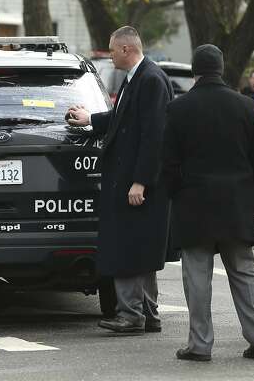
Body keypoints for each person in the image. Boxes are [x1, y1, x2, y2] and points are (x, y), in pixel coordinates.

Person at [163, 44, 254, 361]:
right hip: (238, 203)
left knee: (197, 275)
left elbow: (168, 162)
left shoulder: (179, 108)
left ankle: (200, 344)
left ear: (195, 71)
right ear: (221, 69)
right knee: (244, 271)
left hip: (194, 203)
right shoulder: (244, 106)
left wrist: (176, 194)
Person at [66, 26, 173, 334]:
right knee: (141, 250)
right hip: (129, 181)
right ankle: (147, 314)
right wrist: (91, 120)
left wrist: (141, 181)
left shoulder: (150, 80)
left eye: (112, 50)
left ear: (127, 50)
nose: (110, 55)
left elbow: (154, 135)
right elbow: (124, 119)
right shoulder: (138, 78)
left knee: (128, 248)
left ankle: (131, 315)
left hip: (135, 183)